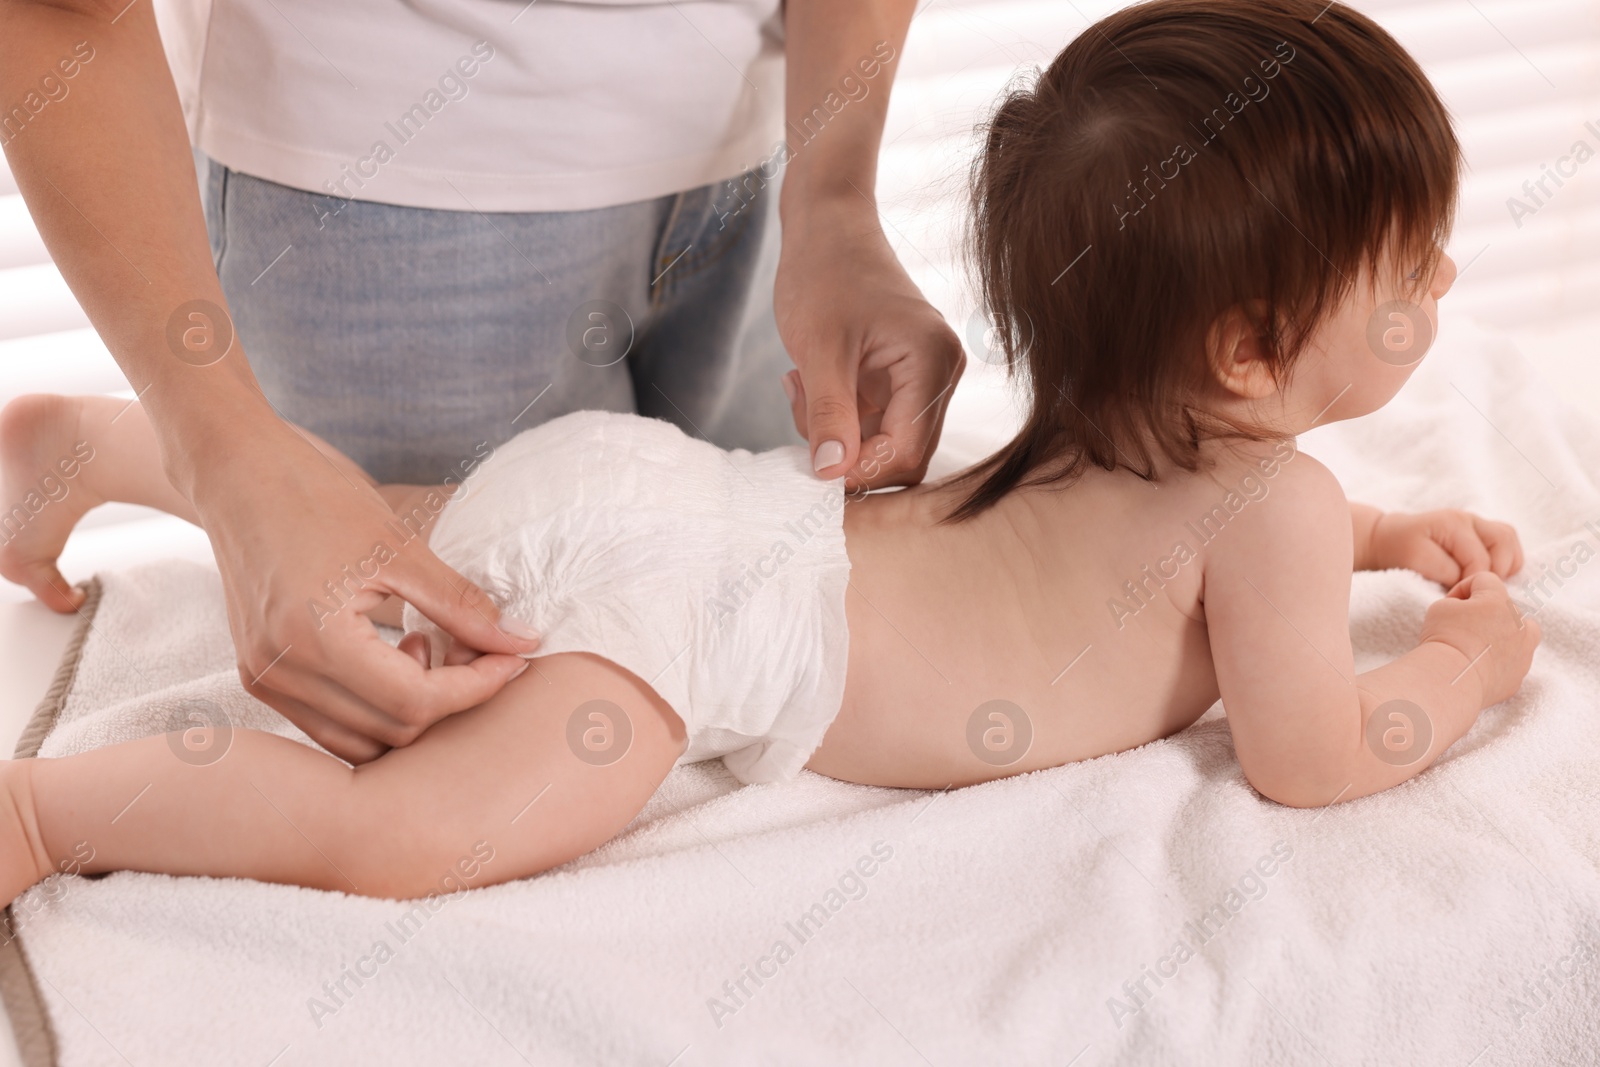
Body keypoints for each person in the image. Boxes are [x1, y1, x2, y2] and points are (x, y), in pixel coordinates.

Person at [0, 0, 1541, 904]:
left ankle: (96, 452)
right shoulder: (1268, 497)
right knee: (405, 827)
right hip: (710, 619)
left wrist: (1383, 535)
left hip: (687, 505)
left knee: (449, 526)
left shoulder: (1152, 434)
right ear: (1250, 353)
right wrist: (1463, 668)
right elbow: (1312, 754)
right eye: (1412, 277)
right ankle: (50, 813)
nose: (1446, 289)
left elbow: (1194, 550)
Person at [0, 0, 965, 763]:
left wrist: (834, 197)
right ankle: (103, 448)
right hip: (399, 183)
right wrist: (213, 435)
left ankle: (94, 447)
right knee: (477, 625)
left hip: (765, 147)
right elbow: (59, 9)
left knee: (678, 550)